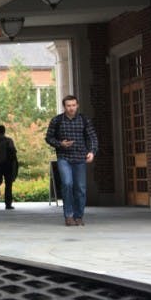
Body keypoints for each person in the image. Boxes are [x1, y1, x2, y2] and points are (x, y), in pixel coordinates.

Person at [45, 94, 98, 227]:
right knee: (67, 184)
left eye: (73, 105)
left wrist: (92, 151)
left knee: (80, 188)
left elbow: (92, 137)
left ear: (77, 105)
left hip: (80, 158)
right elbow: (48, 138)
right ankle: (68, 216)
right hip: (64, 158)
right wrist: (60, 144)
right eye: (68, 106)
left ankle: (78, 216)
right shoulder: (56, 121)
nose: (71, 108)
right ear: (64, 106)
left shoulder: (84, 120)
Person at [0, 124, 18, 211]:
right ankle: (8, 204)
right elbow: (13, 152)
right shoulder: (9, 141)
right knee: (8, 184)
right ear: (4, 131)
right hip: (7, 165)